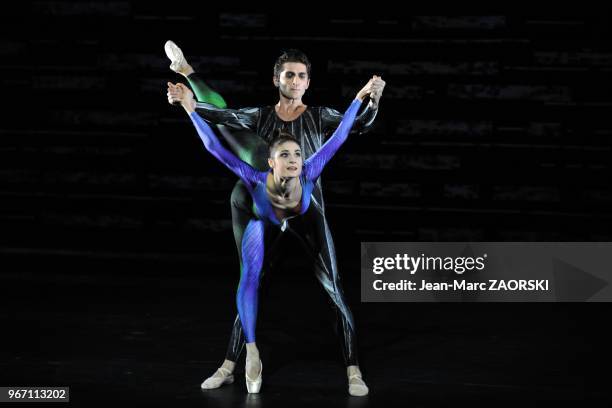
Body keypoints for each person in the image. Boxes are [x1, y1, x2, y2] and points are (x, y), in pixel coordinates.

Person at [165, 41, 386, 396]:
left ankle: (354, 370)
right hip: (264, 201)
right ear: (277, 79)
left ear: (308, 82)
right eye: (289, 75)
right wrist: (190, 106)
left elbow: (352, 127)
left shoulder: (318, 122)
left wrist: (370, 99)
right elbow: (221, 120)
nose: (295, 81)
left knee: (334, 288)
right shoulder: (261, 117)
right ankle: (230, 364)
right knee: (251, 281)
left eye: (301, 76)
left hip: (304, 207)